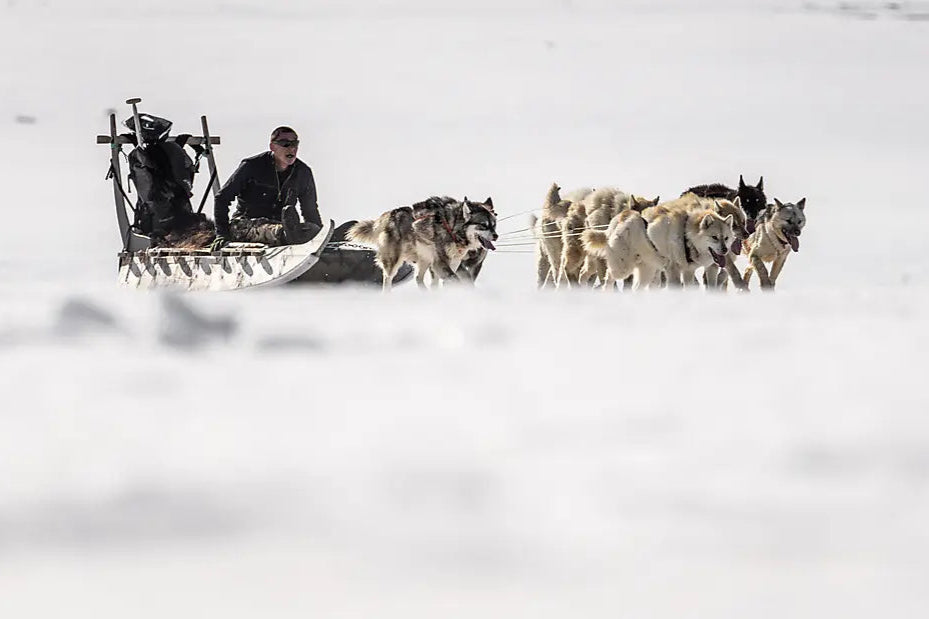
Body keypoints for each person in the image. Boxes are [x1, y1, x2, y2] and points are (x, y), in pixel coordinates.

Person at [212, 126, 322, 249]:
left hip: (282, 225)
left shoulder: (303, 172)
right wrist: (221, 234)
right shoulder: (252, 166)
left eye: (295, 143)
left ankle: (292, 235)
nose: (292, 148)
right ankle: (288, 235)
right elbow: (222, 198)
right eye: (285, 144)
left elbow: (310, 209)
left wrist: (319, 235)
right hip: (245, 225)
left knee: (310, 229)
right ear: (273, 147)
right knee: (279, 232)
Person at [126, 113, 208, 247]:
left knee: (160, 228)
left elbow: (146, 187)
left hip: (159, 217)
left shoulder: (143, 156)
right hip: (182, 209)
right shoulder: (174, 150)